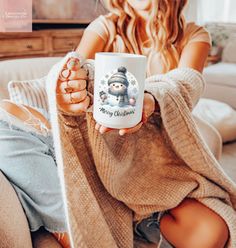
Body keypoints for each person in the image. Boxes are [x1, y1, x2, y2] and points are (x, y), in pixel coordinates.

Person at [0, 0, 232, 248]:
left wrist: (151, 99)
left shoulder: (194, 35)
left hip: (153, 162)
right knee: (5, 125)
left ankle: (122, 217)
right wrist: (71, 91)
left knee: (211, 232)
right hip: (101, 151)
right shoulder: (105, 26)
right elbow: (76, 67)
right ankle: (76, 226)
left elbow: (187, 83)